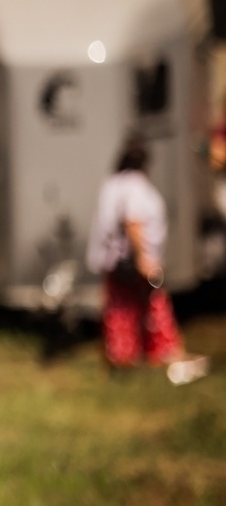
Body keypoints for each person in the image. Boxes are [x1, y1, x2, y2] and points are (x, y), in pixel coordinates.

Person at [87, 135, 208, 384]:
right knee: (155, 306)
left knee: (121, 309)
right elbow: (133, 221)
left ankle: (123, 356)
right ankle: (164, 352)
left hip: (115, 262)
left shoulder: (113, 183)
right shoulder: (135, 186)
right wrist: (144, 257)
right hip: (134, 261)